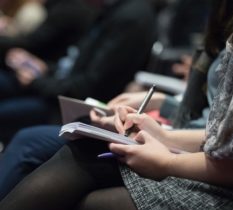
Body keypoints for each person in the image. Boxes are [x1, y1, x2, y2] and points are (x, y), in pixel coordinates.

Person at [3, 1, 233, 210]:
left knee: (76, 202)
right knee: (76, 149)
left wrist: (168, 158)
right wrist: (162, 133)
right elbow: (224, 135)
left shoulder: (133, 14)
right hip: (205, 153)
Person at [0, 0, 156, 143]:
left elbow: (88, 87)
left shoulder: (130, 17)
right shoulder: (116, 9)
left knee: (22, 137)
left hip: (75, 111)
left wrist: (36, 82)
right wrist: (47, 69)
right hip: (59, 91)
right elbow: (76, 65)